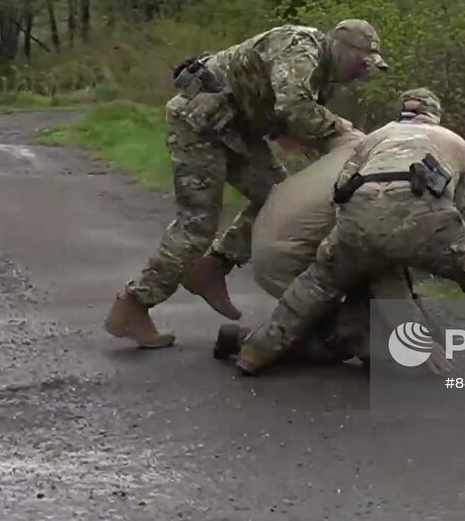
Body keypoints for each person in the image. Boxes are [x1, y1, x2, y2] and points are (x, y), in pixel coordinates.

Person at [233, 88, 465, 393]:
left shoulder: (373, 138)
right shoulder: (455, 142)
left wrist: (352, 240)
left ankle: (257, 350)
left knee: (316, 283)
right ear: (434, 115)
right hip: (422, 210)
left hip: (357, 214)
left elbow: (342, 189)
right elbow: (454, 207)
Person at [103, 20, 387, 348]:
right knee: (196, 224)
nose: (361, 73)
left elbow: (289, 119)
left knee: (278, 198)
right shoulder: (302, 48)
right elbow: (293, 106)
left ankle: (214, 266)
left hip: (235, 128)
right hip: (199, 123)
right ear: (342, 49)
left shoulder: (323, 75)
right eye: (361, 63)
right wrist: (346, 133)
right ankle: (133, 305)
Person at [211, 121, 437, 367]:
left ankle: (272, 336)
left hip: (273, 239)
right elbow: (383, 271)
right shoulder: (384, 188)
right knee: (360, 342)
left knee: (372, 306)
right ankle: (251, 341)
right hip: (289, 260)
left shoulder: (358, 143)